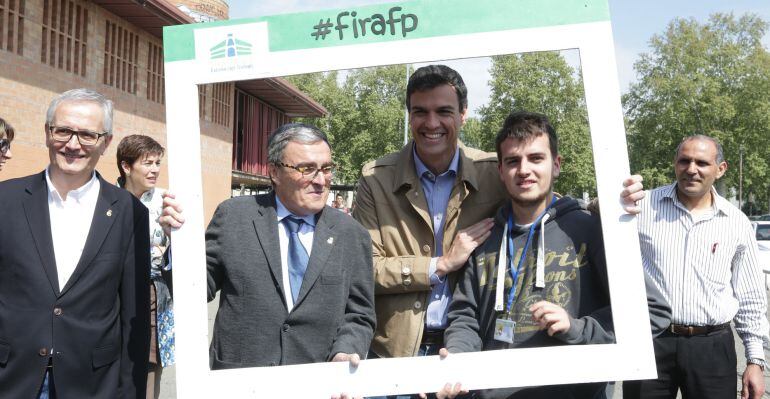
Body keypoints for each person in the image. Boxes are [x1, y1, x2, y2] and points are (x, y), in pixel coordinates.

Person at [353, 65, 646, 394]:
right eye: (421, 111)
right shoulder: (375, 179)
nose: (432, 123)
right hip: (402, 353)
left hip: (480, 359)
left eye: (444, 111)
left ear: (463, 114)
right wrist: (441, 264)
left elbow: (543, 200)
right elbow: (363, 269)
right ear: (408, 116)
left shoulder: (492, 170)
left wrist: (611, 205)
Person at [436, 111, 671, 399]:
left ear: (556, 165)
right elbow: (465, 317)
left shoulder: (590, 229)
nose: (524, 170)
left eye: (536, 158)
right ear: (500, 171)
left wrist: (577, 328)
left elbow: (653, 313)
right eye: (513, 161)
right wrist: (458, 358)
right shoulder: (482, 238)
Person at [160, 123, 375, 396]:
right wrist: (180, 246)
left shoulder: (351, 234)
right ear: (274, 171)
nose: (321, 180)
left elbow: (360, 314)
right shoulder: (234, 216)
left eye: (326, 168)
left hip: (317, 387)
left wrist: (346, 352)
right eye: (307, 169)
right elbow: (195, 290)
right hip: (239, 386)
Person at [0, 88, 150, 398]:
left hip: (93, 383)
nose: (72, 144)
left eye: (86, 135)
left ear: (106, 142)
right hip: (13, 377)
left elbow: (134, 314)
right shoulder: (6, 200)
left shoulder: (129, 211)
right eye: (63, 131)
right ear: (47, 133)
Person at [623, 135, 769, 399]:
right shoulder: (640, 208)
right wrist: (609, 203)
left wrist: (755, 361)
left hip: (712, 349)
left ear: (720, 169)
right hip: (650, 343)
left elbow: (750, 297)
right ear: (675, 164)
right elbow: (598, 222)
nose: (691, 169)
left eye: (702, 162)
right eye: (684, 161)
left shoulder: (736, 222)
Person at [117, 134, 174, 399]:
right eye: (147, 163)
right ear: (126, 167)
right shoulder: (107, 200)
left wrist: (173, 237)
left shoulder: (167, 202)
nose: (154, 169)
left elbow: (184, 255)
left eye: (157, 162)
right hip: (113, 296)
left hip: (154, 294)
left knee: (151, 370)